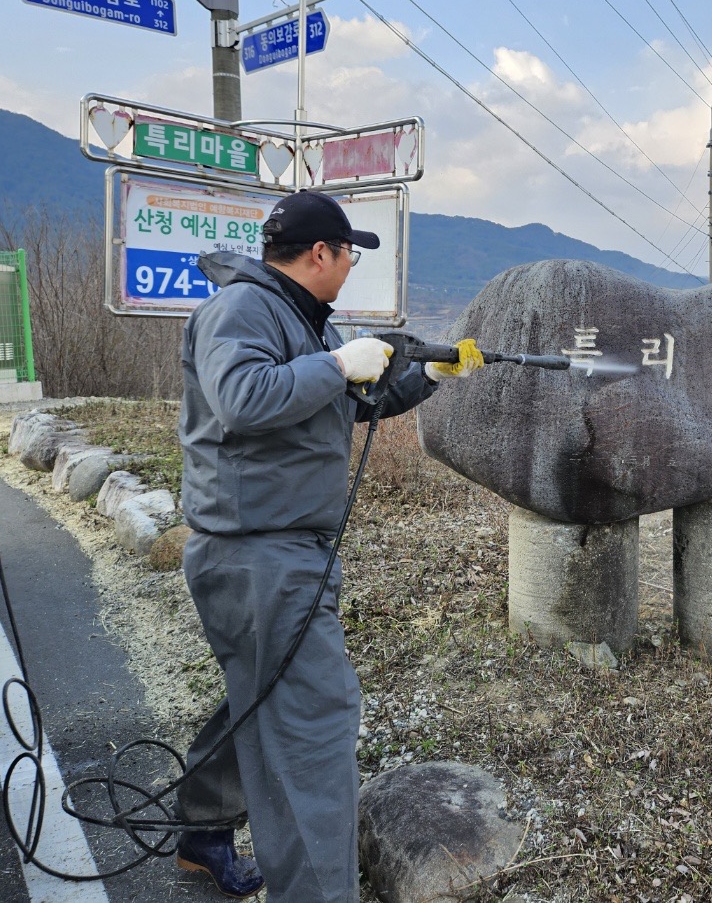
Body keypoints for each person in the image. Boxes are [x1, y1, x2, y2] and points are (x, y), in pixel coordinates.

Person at [173, 189, 484, 900]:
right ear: (321, 253)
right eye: (348, 252)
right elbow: (244, 398)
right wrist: (341, 364)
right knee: (313, 731)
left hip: (275, 553)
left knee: (260, 696)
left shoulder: (294, 317)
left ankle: (203, 826)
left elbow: (344, 406)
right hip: (261, 554)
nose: (349, 265)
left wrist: (428, 375)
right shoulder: (243, 310)